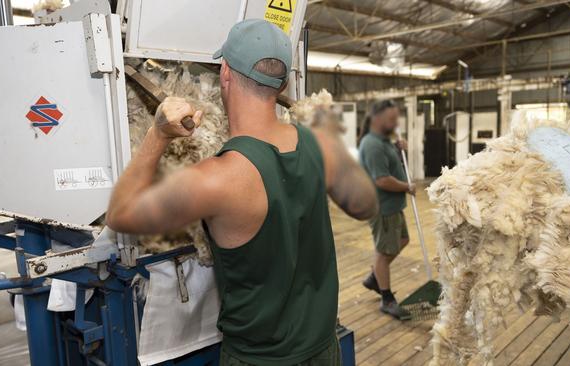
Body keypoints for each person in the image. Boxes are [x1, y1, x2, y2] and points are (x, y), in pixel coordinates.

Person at [106, 19, 378, 365]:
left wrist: (158, 134)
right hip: (324, 352)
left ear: (226, 74)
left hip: (258, 359)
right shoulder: (317, 145)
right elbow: (365, 204)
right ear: (281, 82)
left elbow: (120, 214)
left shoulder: (216, 179)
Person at [358, 100, 415, 320]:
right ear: (377, 118)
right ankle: (387, 299)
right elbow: (381, 180)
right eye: (391, 119)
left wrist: (399, 150)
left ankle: (375, 277)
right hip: (382, 208)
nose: (395, 123)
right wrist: (407, 187)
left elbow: (391, 167)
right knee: (383, 253)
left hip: (393, 206)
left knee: (401, 241)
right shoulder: (372, 144)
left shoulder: (384, 141)